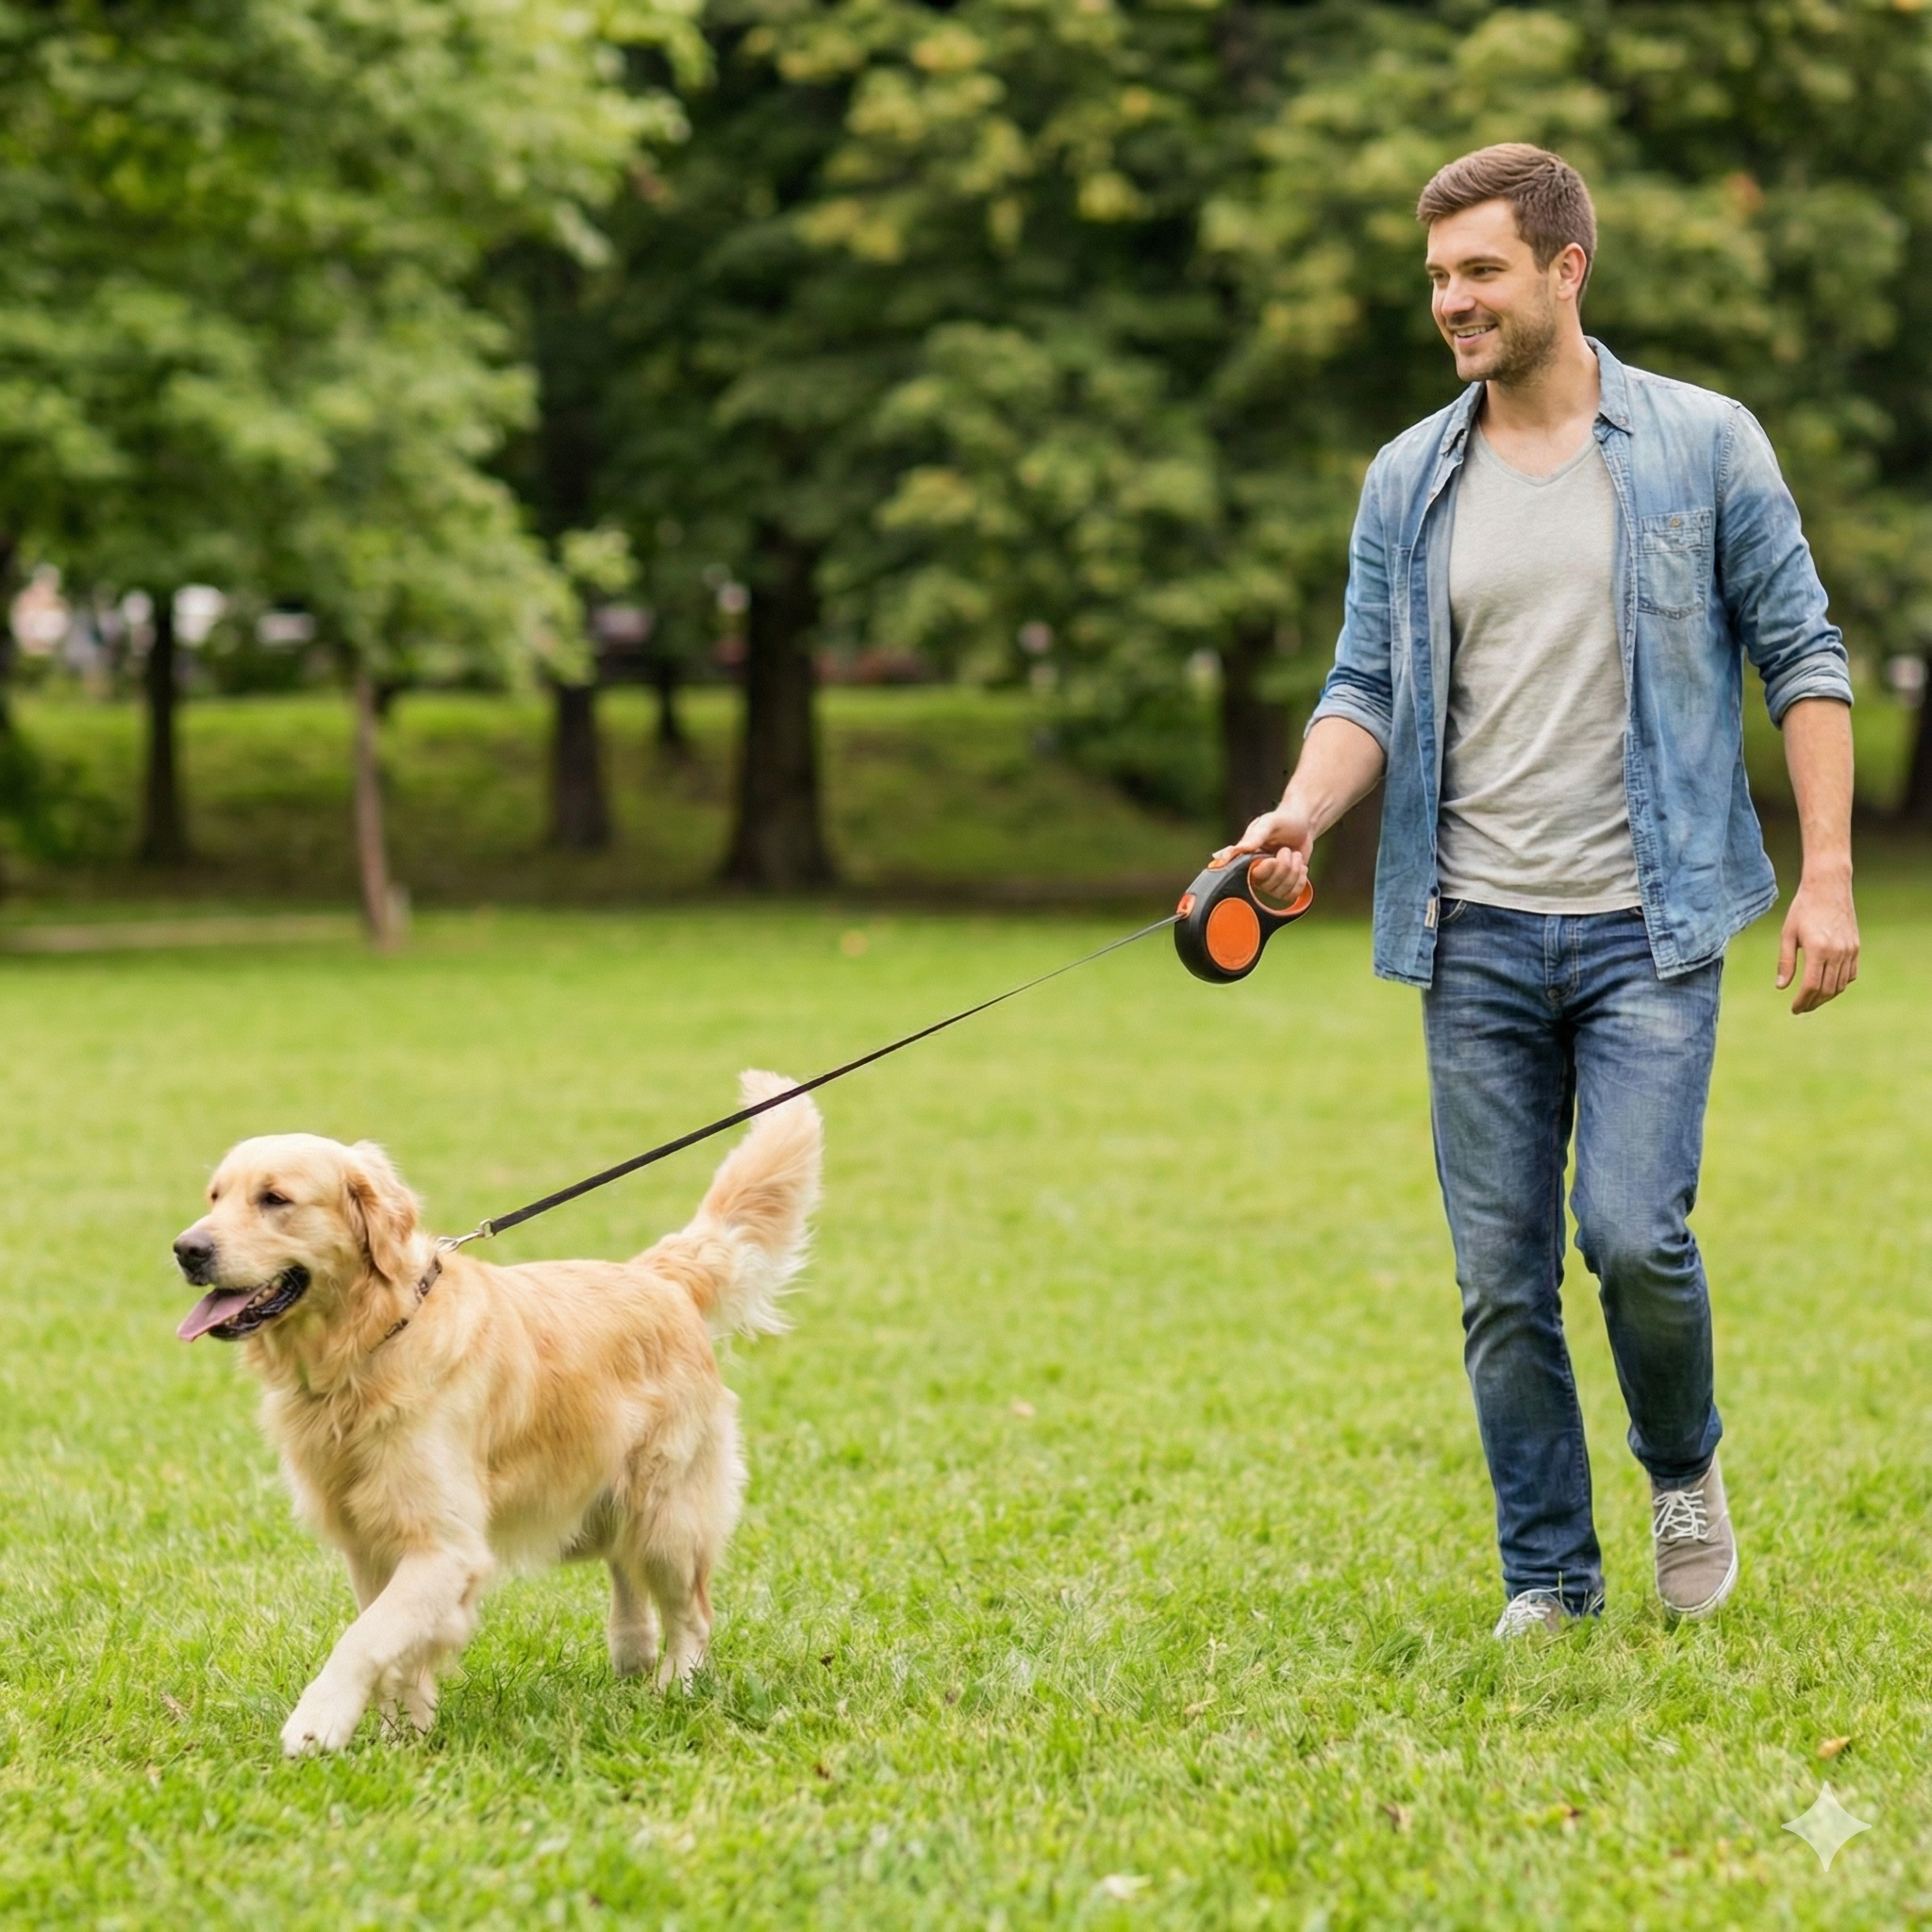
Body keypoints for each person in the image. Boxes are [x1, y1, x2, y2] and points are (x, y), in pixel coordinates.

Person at [1221, 143, 1858, 1636]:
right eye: (1439, 275)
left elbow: (1807, 658)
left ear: (1567, 271)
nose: (1452, 300)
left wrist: (1827, 877)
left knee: (1636, 1236)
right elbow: (1364, 680)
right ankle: (1550, 1577)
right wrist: (1304, 810)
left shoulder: (1703, 444)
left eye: (1481, 270)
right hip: (1473, 929)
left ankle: (1683, 1470)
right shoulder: (1410, 477)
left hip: (1651, 921)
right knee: (1502, 1282)